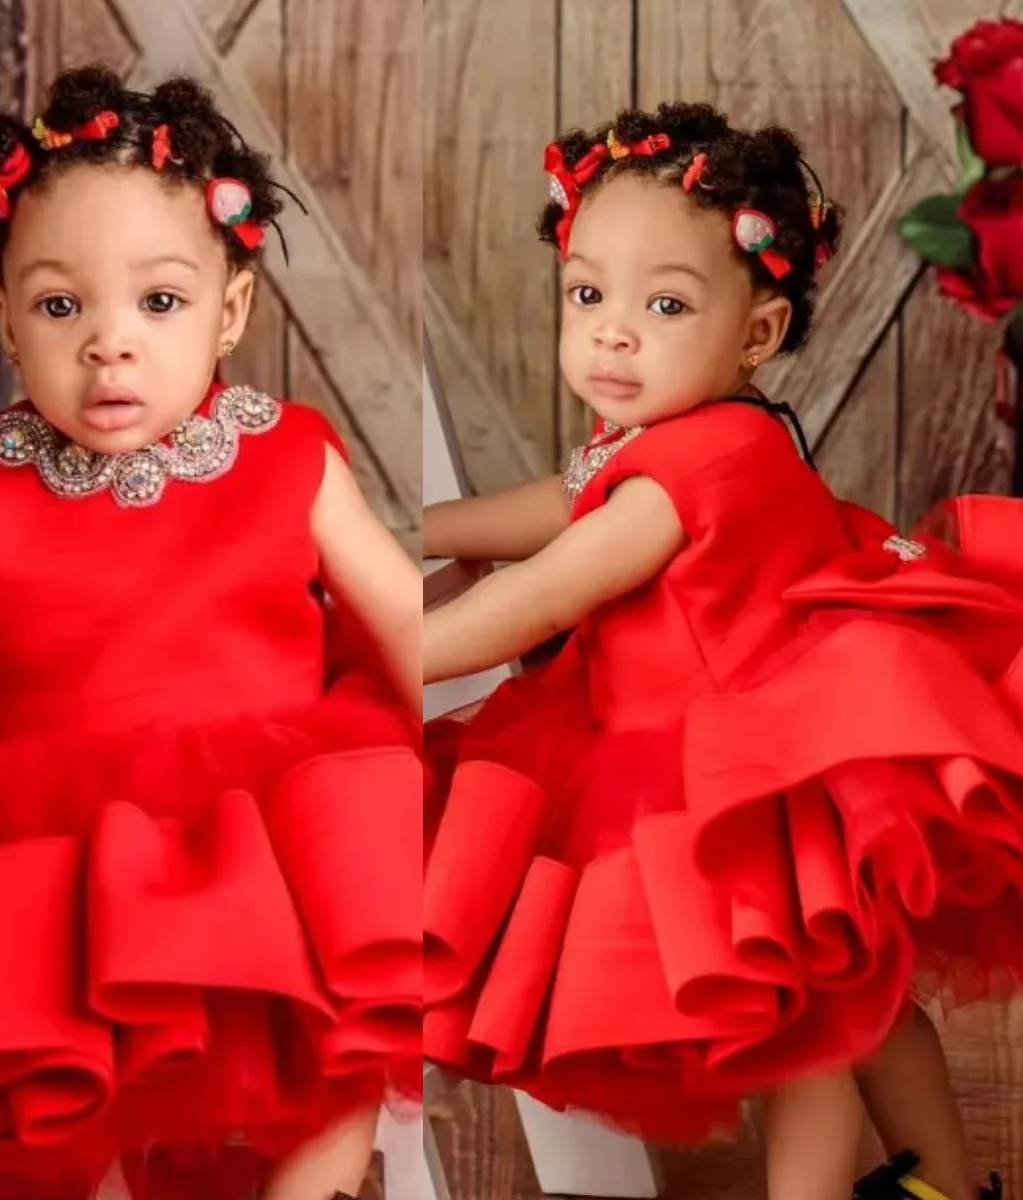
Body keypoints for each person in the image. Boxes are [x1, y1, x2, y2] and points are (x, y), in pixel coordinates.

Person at [0, 65, 422, 1200]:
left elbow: (394, 607)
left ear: (228, 310)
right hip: (34, 840)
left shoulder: (285, 455)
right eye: (61, 306)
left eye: (158, 302)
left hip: (244, 835)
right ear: (4, 318)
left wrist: (452, 746)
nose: (109, 344)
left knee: (342, 1054)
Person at [423, 101, 1016, 1200]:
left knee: (810, 1040)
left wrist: (392, 646)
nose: (611, 331)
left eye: (664, 304)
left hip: (737, 774)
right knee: (868, 1005)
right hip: (762, 738)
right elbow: (563, 503)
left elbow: (549, 594)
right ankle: (949, 1184)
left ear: (757, 333)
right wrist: (433, 527)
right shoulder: (691, 433)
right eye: (587, 294)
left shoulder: (702, 462)